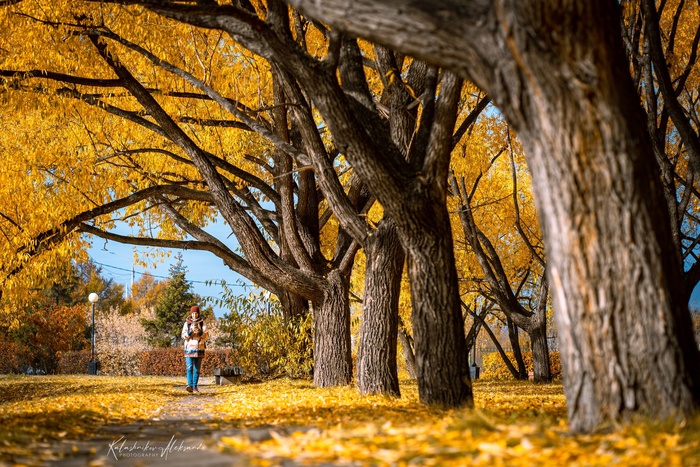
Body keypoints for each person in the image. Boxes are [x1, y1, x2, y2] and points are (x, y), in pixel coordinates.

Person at [181, 305, 208, 393]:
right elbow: (183, 335)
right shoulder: (187, 323)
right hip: (189, 347)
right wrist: (190, 333)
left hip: (199, 347)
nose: (194, 315)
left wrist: (200, 332)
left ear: (198, 314)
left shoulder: (202, 323)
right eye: (193, 313)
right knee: (189, 367)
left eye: (196, 313)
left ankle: (195, 386)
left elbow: (206, 335)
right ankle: (190, 385)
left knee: (197, 368)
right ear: (191, 314)